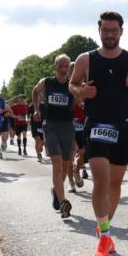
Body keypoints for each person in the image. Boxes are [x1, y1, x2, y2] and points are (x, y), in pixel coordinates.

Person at [70, 11, 128, 256]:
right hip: (96, 126)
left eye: (114, 30)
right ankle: (104, 239)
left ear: (121, 32)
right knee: (101, 182)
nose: (110, 34)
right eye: (106, 30)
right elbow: (72, 86)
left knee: (115, 185)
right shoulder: (86, 59)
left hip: (122, 126)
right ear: (99, 31)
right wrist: (82, 91)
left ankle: (104, 226)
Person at [34, 55, 76, 219]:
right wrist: (37, 110)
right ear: (55, 66)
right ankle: (64, 202)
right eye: (61, 65)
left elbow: (82, 99)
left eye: (66, 65)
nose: (64, 68)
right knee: (57, 164)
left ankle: (56, 191)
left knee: (65, 167)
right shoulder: (47, 82)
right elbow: (35, 92)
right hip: (50, 125)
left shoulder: (72, 85)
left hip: (67, 127)